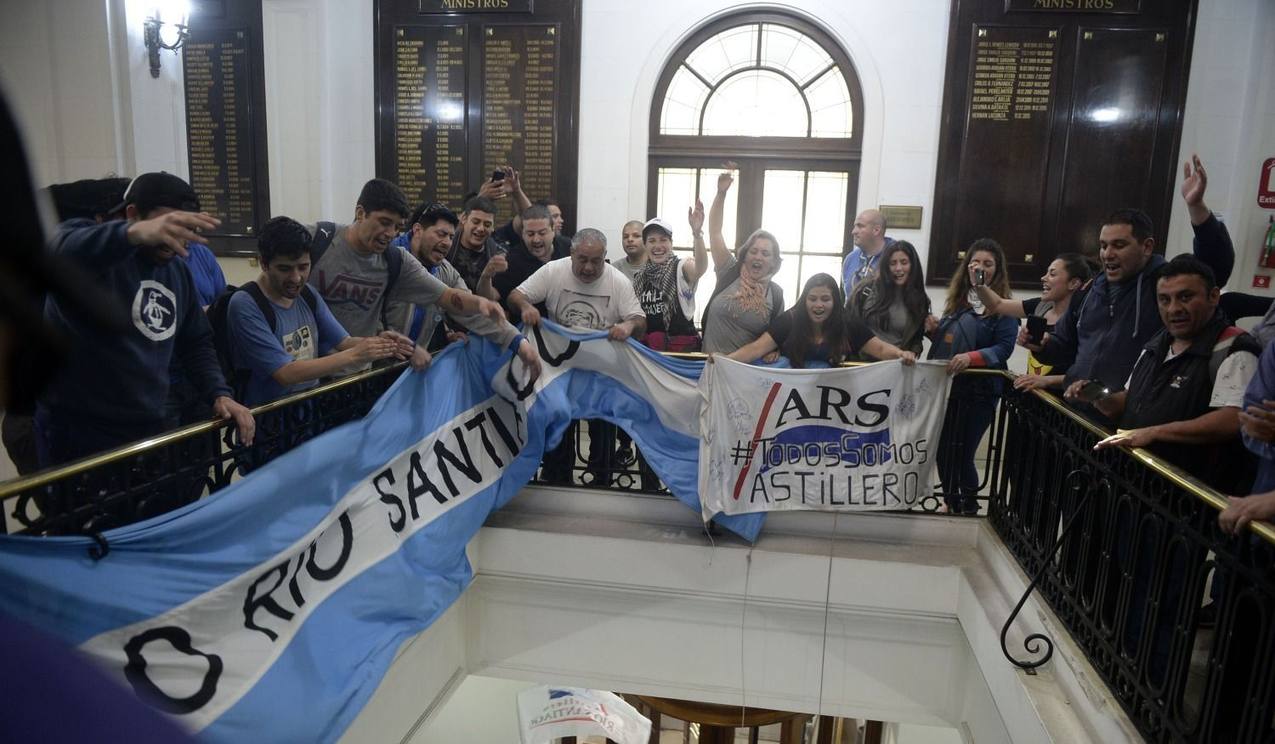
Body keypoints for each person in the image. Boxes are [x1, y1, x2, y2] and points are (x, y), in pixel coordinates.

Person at [35, 172, 255, 468]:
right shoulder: (93, 254)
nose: (175, 238)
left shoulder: (177, 272)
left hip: (149, 425)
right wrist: (133, 234)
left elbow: (195, 342)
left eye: (185, 227)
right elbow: (60, 250)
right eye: (166, 224)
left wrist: (218, 392)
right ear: (132, 214)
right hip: (80, 433)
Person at [308, 180, 532, 373]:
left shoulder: (398, 261)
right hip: (305, 375)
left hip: (364, 374)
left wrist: (517, 341)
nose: (389, 233)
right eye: (385, 223)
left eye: (396, 226)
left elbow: (451, 298)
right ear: (360, 213)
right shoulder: (318, 239)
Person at [1088, 256, 1258, 492]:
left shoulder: (1233, 348)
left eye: (1185, 297)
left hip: (1188, 499)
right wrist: (1102, 399)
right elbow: (1130, 399)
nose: (1174, 309)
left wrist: (1154, 433)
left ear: (1213, 297)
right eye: (1164, 300)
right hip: (1135, 486)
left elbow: (1232, 419)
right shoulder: (1156, 344)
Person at [508, 229, 645, 485]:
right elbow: (515, 295)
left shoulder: (617, 281)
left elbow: (639, 319)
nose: (589, 267)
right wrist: (526, 306)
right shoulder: (553, 271)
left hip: (600, 369)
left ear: (605, 257)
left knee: (602, 423)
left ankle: (601, 480)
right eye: (582, 259)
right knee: (558, 417)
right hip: (560, 365)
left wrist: (628, 327)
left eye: (596, 261)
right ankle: (557, 478)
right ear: (571, 254)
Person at [227, 216, 407, 406]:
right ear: (264, 264)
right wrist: (356, 355)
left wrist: (381, 344)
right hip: (268, 420)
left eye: (303, 267)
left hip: (309, 410)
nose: (296, 278)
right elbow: (286, 373)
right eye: (284, 269)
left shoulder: (307, 294)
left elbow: (344, 341)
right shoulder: (246, 304)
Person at [927, 239, 1020, 514]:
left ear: (997, 270)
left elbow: (1003, 348)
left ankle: (968, 504)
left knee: (964, 451)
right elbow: (952, 343)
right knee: (944, 449)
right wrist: (933, 331)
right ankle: (950, 499)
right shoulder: (958, 301)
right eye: (975, 263)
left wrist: (972, 358)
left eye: (988, 264)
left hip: (981, 390)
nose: (980, 268)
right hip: (951, 387)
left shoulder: (1003, 306)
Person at [728, 273, 916, 368]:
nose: (819, 305)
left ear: (835, 301)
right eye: (813, 299)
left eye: (825, 299)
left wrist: (902, 354)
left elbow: (881, 349)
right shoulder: (789, 319)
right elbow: (755, 348)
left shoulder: (848, 323)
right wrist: (725, 360)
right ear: (804, 300)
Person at [974, 253, 1093, 392]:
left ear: (1073, 283)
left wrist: (1047, 381)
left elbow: (1086, 374)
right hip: (1033, 397)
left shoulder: (1083, 320)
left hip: (1062, 403)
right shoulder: (1041, 305)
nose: (1043, 278)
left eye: (1052, 274)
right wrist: (978, 280)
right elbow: (997, 304)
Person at [702, 167, 785, 354]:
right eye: (753, 251)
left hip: (745, 374)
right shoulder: (729, 270)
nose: (758, 257)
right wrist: (721, 193)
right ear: (745, 254)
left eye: (765, 254)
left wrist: (775, 350)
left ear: (773, 262)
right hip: (708, 368)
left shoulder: (776, 295)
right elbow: (715, 231)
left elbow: (775, 338)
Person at [846, 240, 932, 361]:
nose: (898, 268)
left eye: (904, 262)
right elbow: (848, 325)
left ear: (913, 265)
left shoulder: (921, 300)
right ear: (886, 266)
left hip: (897, 368)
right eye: (893, 263)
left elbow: (917, 338)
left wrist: (912, 353)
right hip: (862, 366)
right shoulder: (865, 290)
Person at [634, 209, 706, 352]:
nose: (658, 246)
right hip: (651, 352)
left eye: (663, 240)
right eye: (652, 241)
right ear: (645, 245)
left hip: (682, 352)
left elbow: (700, 268)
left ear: (671, 243)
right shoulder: (640, 277)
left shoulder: (681, 267)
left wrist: (697, 235)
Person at [492, 205, 568, 314]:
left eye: (542, 233)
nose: (536, 239)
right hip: (529, 325)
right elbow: (496, 297)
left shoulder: (569, 249)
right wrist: (486, 276)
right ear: (522, 234)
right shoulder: (513, 259)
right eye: (530, 234)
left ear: (553, 231)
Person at [446, 194, 507, 299]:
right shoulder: (447, 244)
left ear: (493, 227)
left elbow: (492, 297)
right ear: (464, 219)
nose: (480, 228)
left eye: (487, 224)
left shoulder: (497, 254)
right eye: (476, 222)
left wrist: (486, 276)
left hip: (479, 310)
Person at [840, 208, 894, 295]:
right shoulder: (850, 259)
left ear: (876, 230)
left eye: (860, 226)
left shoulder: (896, 256)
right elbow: (847, 298)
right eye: (855, 226)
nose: (853, 232)